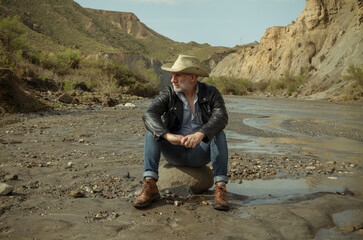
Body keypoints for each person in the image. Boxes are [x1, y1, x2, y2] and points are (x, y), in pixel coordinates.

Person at [133, 54, 230, 211]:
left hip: (200, 152)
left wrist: (201, 134)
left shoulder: (211, 92)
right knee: (152, 130)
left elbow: (222, 116)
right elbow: (149, 114)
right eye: (172, 76)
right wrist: (167, 135)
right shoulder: (169, 93)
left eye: (177, 75)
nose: (173, 80)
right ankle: (150, 185)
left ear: (192, 78)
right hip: (174, 151)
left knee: (218, 132)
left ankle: (220, 188)